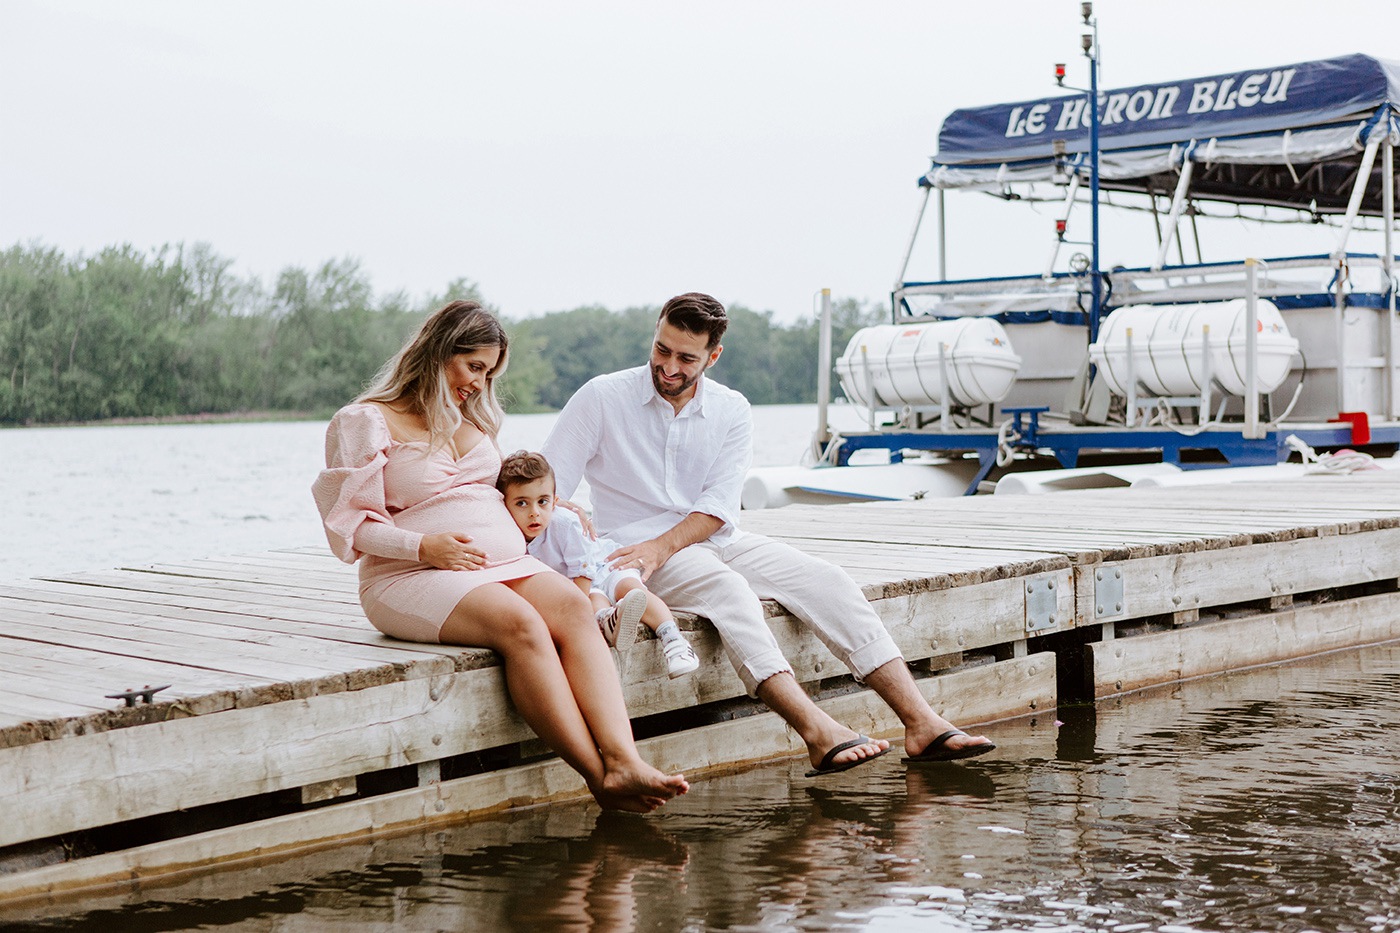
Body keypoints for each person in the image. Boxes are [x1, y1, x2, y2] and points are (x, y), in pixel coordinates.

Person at [542, 292, 996, 776]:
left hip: (706, 538)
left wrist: (665, 544)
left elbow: (717, 509)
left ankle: (922, 724)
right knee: (729, 591)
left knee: (827, 580)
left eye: (686, 358)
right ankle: (818, 733)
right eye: (661, 349)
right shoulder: (602, 396)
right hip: (632, 550)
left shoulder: (731, 409)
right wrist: (575, 523)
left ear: (713, 356)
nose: (668, 366)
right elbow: (547, 483)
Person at [311, 300, 687, 812]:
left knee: (577, 609)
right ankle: (599, 777)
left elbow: (495, 493)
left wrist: (556, 505)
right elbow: (348, 524)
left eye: (488, 373)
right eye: (474, 367)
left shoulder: (471, 421)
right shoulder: (364, 421)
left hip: (502, 565)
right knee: (522, 624)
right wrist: (422, 545)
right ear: (438, 350)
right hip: (406, 576)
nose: (479, 383)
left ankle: (624, 758)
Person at [496, 450, 701, 679]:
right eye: (522, 503)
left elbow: (582, 569)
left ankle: (675, 642)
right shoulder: (509, 535)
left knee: (630, 590)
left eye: (542, 502)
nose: (535, 513)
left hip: (604, 565)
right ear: (505, 506)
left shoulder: (564, 522)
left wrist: (576, 608)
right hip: (578, 584)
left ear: (555, 501)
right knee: (595, 600)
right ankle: (609, 618)